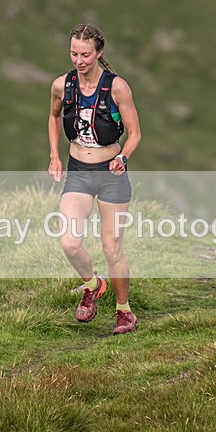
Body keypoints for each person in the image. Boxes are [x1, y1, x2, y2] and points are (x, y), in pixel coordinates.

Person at [48, 23, 142, 335]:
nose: (79, 60)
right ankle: (93, 284)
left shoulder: (117, 87)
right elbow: (53, 116)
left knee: (111, 247)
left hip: (110, 174)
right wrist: (54, 156)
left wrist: (123, 157)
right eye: (74, 53)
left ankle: (124, 311)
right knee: (69, 242)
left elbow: (135, 133)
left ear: (99, 53)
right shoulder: (62, 85)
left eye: (86, 54)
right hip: (78, 170)